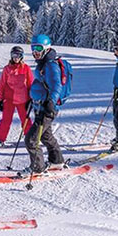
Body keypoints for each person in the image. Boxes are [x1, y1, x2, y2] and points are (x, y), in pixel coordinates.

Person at [22, 34, 66, 174]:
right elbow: (39, 83)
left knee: (31, 140)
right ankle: (57, 160)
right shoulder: (43, 63)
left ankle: (37, 167)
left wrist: (50, 104)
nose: (35, 51)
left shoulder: (51, 65)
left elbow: (56, 86)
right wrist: (31, 98)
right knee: (46, 136)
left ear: (46, 48)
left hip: (46, 108)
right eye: (33, 48)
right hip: (39, 105)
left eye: (38, 48)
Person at [0, 45, 34, 149]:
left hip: (23, 99)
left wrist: (31, 99)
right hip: (9, 99)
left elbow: (31, 84)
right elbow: (2, 84)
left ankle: (29, 138)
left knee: (25, 120)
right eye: (14, 55)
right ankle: (0, 140)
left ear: (22, 57)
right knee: (6, 120)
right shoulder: (7, 69)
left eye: (18, 55)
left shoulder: (26, 68)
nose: (16, 57)